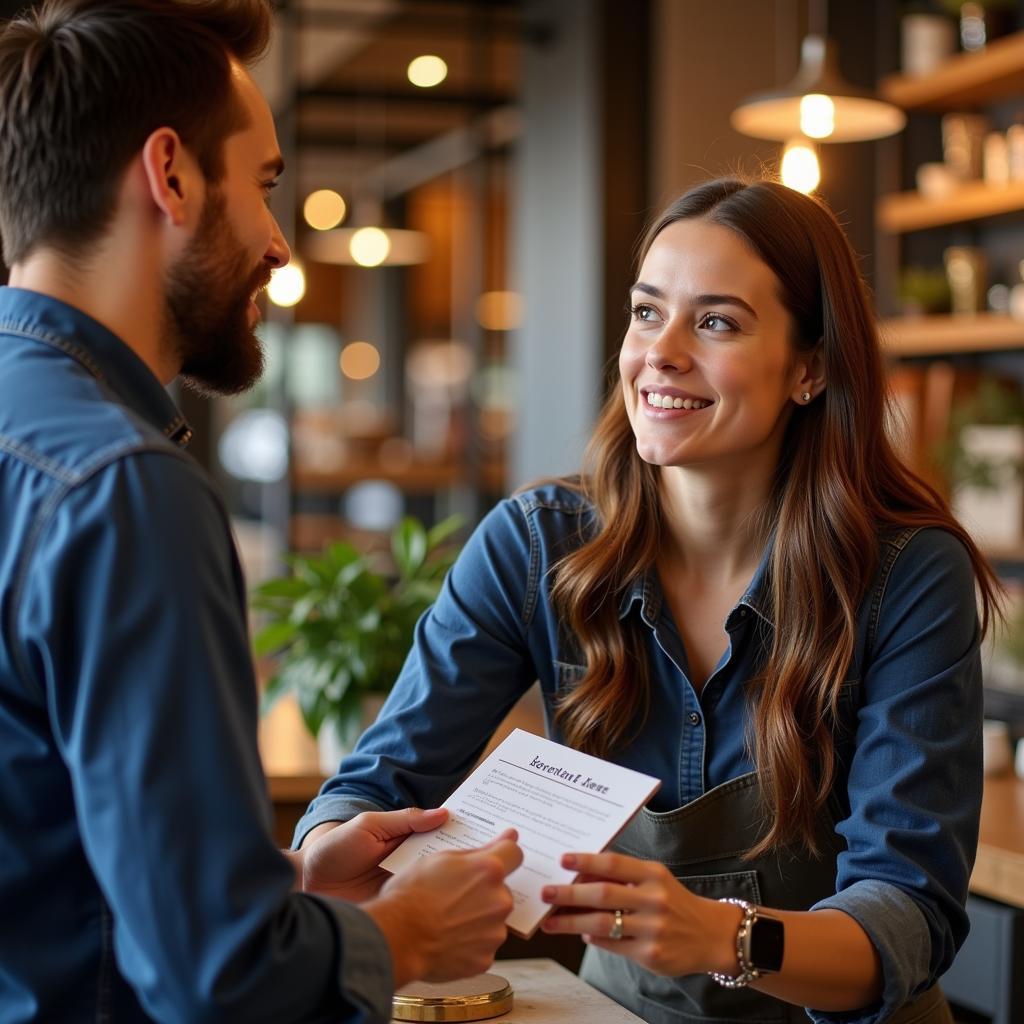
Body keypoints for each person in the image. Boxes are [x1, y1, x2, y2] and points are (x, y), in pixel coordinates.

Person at [294, 177, 999, 1024]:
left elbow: (908, 914)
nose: (659, 353)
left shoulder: (908, 575)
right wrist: (324, 845)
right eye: (645, 312)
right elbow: (377, 781)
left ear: (808, 369)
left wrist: (723, 937)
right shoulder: (535, 545)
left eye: (716, 322)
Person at [0, 2, 522, 1022]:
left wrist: (279, 887)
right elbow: (215, 976)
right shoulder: (122, 489)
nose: (280, 245)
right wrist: (404, 932)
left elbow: (55, 850)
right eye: (267, 185)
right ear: (173, 175)